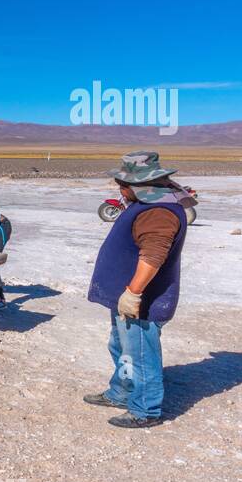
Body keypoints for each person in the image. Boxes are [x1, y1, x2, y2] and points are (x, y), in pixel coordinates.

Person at [84, 151, 193, 428]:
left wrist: (133, 293)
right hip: (125, 297)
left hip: (142, 301)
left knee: (141, 354)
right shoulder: (147, 203)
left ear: (143, 184)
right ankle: (121, 392)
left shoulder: (158, 212)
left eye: (124, 183)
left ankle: (145, 409)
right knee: (121, 346)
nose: (119, 188)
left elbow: (152, 257)